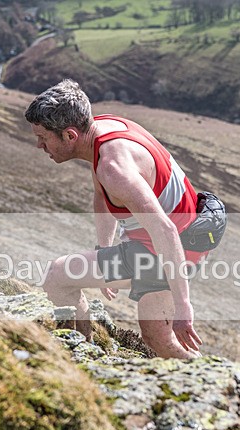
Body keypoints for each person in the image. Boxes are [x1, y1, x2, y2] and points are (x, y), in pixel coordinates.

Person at [25, 79, 206, 359]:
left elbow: (165, 230)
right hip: (187, 235)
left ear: (70, 136)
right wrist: (104, 250)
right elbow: (102, 196)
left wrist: (184, 306)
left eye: (43, 137)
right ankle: (206, 376)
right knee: (156, 337)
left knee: (57, 277)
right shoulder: (105, 128)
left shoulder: (114, 168)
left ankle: (78, 355)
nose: (39, 145)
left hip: (171, 247)